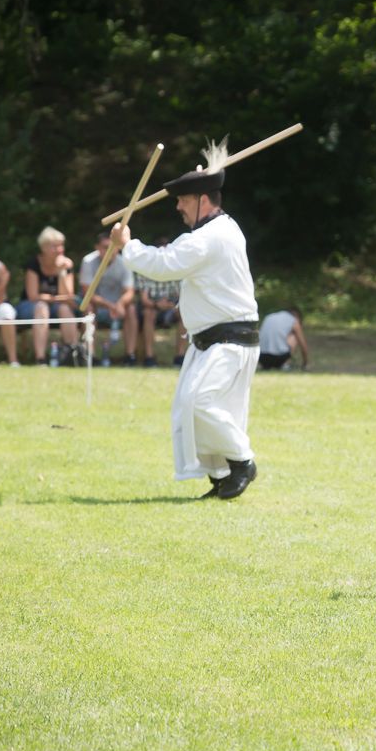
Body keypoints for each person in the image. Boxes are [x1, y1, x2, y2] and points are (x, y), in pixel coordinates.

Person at [113, 141, 260, 500]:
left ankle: (242, 462)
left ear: (201, 199)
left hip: (230, 340)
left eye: (183, 200)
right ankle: (222, 475)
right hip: (212, 340)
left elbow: (163, 264)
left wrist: (127, 245)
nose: (178, 206)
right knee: (190, 409)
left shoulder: (209, 238)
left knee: (201, 403)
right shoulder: (219, 230)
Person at [16, 226, 80, 366]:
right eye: (54, 246)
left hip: (56, 306)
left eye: (61, 245)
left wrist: (61, 272)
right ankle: (41, 359)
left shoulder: (66, 264)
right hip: (30, 307)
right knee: (41, 307)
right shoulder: (33, 264)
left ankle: (72, 354)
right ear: (43, 248)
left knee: (65, 308)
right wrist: (54, 298)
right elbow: (33, 296)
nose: (59, 249)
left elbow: (68, 297)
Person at [78, 231, 139, 366]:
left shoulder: (125, 262)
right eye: (106, 247)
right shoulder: (88, 261)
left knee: (131, 309)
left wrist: (120, 304)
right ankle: (90, 355)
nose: (110, 251)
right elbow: (87, 293)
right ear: (97, 247)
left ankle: (130, 356)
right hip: (97, 306)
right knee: (88, 308)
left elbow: (130, 291)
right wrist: (111, 306)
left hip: (118, 306)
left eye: (113, 247)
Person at [136, 255, 187, 367]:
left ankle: (180, 356)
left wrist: (171, 305)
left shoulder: (177, 269)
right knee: (149, 313)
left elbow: (183, 296)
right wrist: (157, 305)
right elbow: (144, 299)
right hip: (152, 307)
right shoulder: (144, 270)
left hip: (172, 307)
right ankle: (149, 357)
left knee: (184, 312)